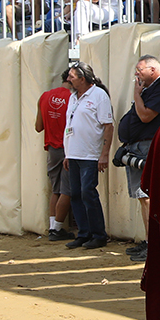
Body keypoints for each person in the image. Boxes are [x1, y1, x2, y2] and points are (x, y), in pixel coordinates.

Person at [115, 55, 160, 263]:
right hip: (138, 147)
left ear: (153, 70)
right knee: (142, 197)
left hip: (147, 147)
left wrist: (137, 94)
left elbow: (146, 116)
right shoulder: (148, 89)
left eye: (140, 69)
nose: (136, 73)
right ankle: (149, 242)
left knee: (148, 197)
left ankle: (154, 246)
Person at [63, 62, 114, 250]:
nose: (68, 79)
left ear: (82, 79)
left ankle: (98, 234)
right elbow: (69, 125)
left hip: (90, 154)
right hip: (74, 154)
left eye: (72, 77)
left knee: (88, 193)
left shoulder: (99, 96)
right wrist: (67, 153)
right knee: (75, 194)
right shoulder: (73, 98)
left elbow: (108, 126)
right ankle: (84, 234)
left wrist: (104, 154)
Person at [36, 76, 74, 241]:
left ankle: (53, 226)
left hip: (51, 148)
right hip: (67, 148)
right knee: (67, 190)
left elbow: (38, 127)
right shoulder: (72, 98)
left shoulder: (44, 96)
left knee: (56, 189)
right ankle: (57, 228)